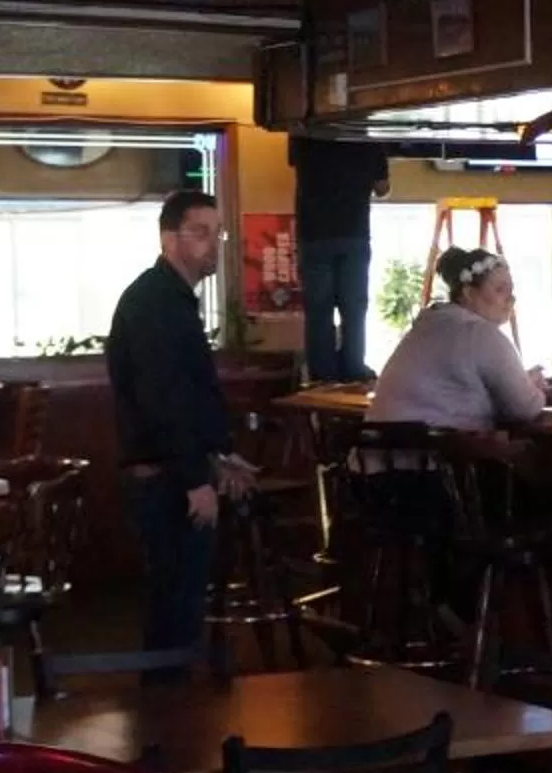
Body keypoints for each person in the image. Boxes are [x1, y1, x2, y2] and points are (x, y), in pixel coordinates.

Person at [105, 189, 256, 673]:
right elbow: (164, 400)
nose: (213, 244)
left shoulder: (168, 298)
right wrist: (196, 478)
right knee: (175, 610)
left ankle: (169, 728)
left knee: (178, 607)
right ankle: (167, 730)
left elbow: (186, 397)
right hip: (165, 479)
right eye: (200, 233)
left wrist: (219, 454)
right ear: (169, 238)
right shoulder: (155, 303)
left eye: (218, 233)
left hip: (174, 470)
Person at [367, 245, 547, 433]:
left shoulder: (425, 327)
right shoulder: (480, 334)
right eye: (500, 290)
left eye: (511, 290)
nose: (511, 299)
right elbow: (525, 408)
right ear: (469, 293)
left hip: (375, 456)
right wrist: (534, 385)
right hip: (431, 457)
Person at [291, 134, 388, 382]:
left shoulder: (303, 132)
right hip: (353, 232)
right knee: (354, 308)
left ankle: (322, 376)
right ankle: (353, 370)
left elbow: (295, 164)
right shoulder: (368, 136)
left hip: (313, 233)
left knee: (318, 309)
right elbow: (382, 188)